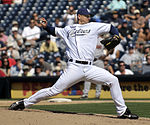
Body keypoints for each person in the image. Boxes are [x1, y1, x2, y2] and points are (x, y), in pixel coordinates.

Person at [8, 8, 138, 119]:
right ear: (79, 16)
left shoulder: (93, 26)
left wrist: (115, 35)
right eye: (86, 16)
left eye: (89, 16)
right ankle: (24, 103)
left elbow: (111, 27)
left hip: (89, 67)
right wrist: (46, 26)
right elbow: (54, 30)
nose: (88, 17)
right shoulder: (68, 29)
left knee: (113, 80)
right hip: (74, 67)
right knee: (54, 90)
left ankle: (122, 112)